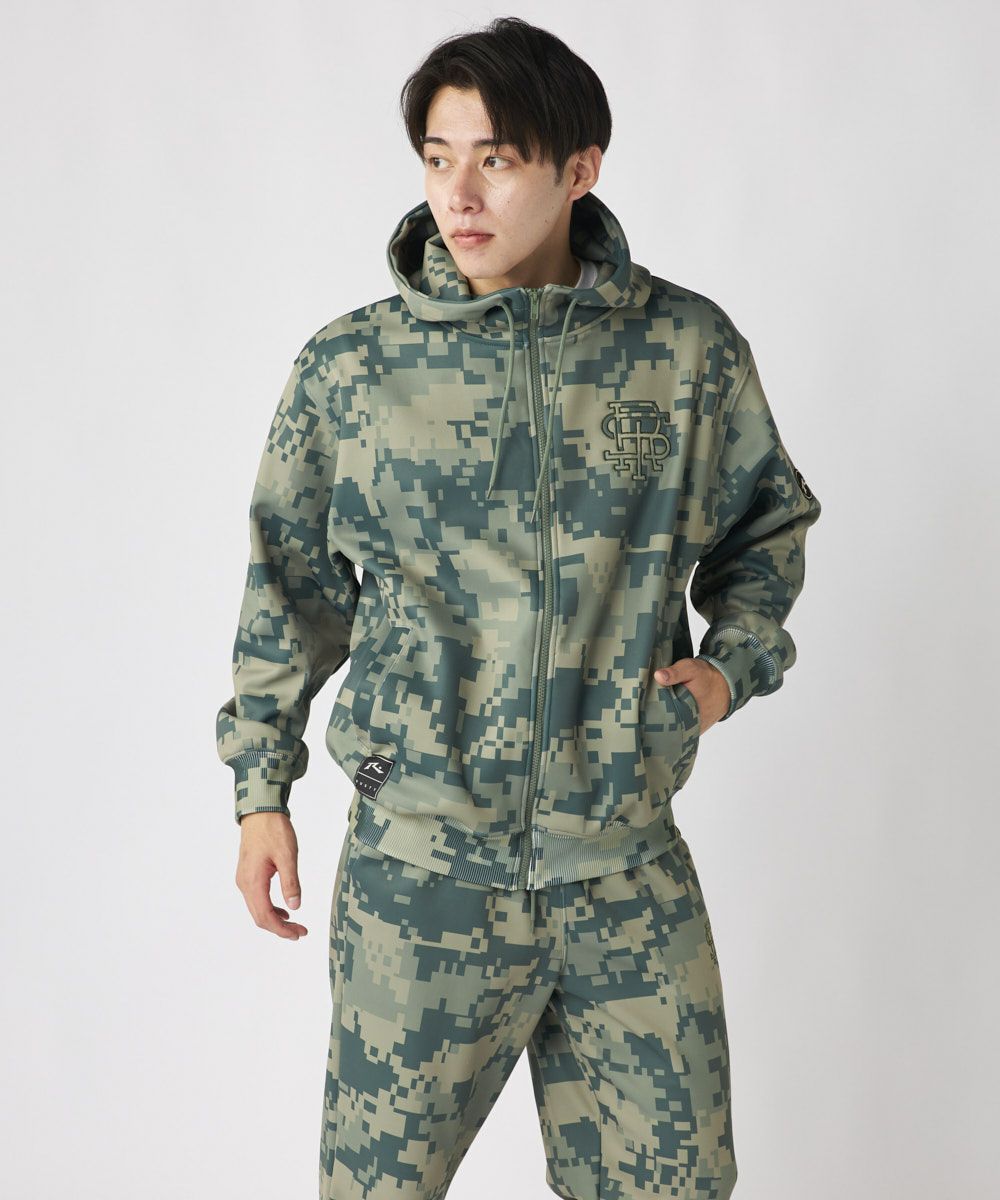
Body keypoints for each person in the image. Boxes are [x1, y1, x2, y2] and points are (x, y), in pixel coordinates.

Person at [215, 16, 821, 1200]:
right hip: (421, 877)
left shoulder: (683, 351)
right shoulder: (354, 369)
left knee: (676, 1186)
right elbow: (288, 587)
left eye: (494, 159)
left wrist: (727, 670)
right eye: (437, 158)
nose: (459, 193)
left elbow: (767, 526)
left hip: (623, 868)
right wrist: (259, 790)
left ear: (578, 167)